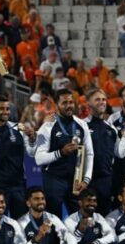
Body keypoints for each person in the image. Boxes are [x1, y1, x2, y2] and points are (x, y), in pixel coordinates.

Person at [35, 88, 94, 217]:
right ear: (57, 105)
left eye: (71, 102)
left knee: (78, 218)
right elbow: (39, 158)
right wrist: (60, 153)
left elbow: (89, 153)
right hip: (54, 179)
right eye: (64, 103)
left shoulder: (81, 125)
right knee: (53, 219)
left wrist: (86, 179)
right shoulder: (47, 126)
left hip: (76, 180)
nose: (69, 106)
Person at [0, 95, 37, 217]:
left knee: (21, 221)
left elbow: (31, 153)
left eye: (7, 109)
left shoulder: (19, 128)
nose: (6, 112)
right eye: (1, 109)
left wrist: (32, 140)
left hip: (18, 185)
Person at [85, 88, 119, 215]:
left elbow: (116, 155)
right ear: (88, 103)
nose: (102, 102)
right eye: (97, 99)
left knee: (104, 218)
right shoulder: (82, 126)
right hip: (87, 181)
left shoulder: (112, 129)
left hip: (106, 181)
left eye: (104, 99)